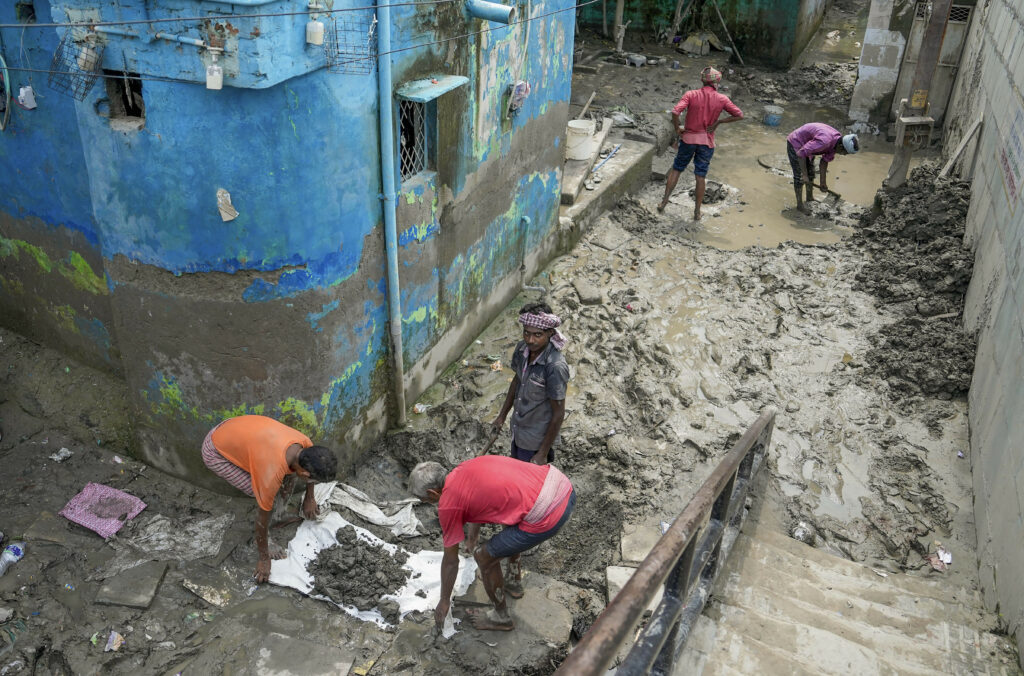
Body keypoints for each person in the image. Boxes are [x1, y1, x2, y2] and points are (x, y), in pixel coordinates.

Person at [409, 456, 575, 632]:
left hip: (549, 513)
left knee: (483, 556)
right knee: (510, 515)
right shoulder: (464, 468)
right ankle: (513, 582)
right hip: (561, 485)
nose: (426, 503)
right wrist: (472, 536)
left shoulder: (447, 505)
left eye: (424, 500)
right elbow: (476, 503)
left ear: (433, 493)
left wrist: (444, 600)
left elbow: (451, 561)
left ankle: (500, 617)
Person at [201, 414, 337, 583]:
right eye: (314, 481)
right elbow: (261, 516)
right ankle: (272, 530)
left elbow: (304, 472)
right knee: (267, 497)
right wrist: (264, 558)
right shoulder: (272, 474)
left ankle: (280, 516)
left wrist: (310, 498)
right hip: (215, 451)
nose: (313, 484)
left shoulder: (305, 447)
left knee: (289, 476)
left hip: (237, 430)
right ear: (306, 473)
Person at [657, 66, 743, 220]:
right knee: (700, 176)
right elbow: (739, 115)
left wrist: (677, 129)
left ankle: (663, 202)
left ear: (702, 81)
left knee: (676, 169)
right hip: (706, 142)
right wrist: (719, 122)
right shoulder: (722, 98)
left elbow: (676, 112)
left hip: (688, 139)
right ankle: (697, 212)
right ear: (716, 83)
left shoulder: (691, 94)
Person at [490, 302, 570, 465]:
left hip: (536, 439)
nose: (530, 340)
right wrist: (502, 416)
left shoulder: (554, 366)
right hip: (518, 429)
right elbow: (517, 381)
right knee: (517, 469)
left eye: (537, 335)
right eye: (526, 333)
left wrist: (542, 453)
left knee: (530, 483)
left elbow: (558, 413)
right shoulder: (522, 350)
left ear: (550, 333)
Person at [787, 123, 859, 214]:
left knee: (811, 172)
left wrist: (823, 182)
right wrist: (804, 175)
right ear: (841, 147)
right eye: (844, 152)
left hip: (808, 145)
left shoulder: (836, 142)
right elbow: (800, 154)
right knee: (799, 177)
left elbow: (824, 161)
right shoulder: (824, 142)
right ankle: (799, 205)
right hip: (796, 141)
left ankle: (809, 198)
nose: (843, 155)